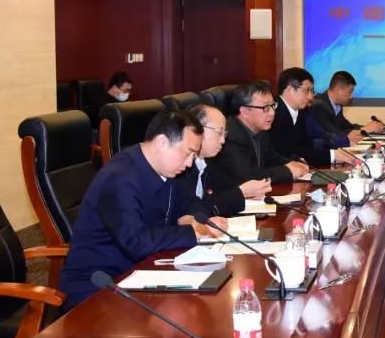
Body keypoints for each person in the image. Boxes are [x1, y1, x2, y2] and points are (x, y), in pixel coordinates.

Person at [58, 110, 226, 309]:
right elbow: (136, 242)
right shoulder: (120, 178)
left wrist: (191, 217)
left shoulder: (167, 169)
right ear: (162, 142)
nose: (190, 163)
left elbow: (191, 202)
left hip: (143, 272)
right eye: (188, 153)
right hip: (99, 285)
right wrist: (192, 232)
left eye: (194, 155)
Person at [209, 80, 309, 185]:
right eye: (266, 107)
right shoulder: (229, 137)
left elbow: (270, 157)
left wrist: (292, 163)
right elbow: (247, 177)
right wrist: (287, 171)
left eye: (273, 105)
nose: (272, 113)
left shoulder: (260, 130)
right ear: (245, 112)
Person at [182, 103, 272, 216]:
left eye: (224, 134)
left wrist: (247, 194)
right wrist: (241, 192)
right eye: (219, 132)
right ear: (196, 129)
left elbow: (224, 191)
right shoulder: (182, 168)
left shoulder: (207, 162)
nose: (223, 141)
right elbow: (193, 209)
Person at [270, 67, 335, 166]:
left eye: (312, 91)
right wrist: (333, 155)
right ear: (290, 89)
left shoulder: (301, 113)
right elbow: (286, 151)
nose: (310, 97)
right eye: (307, 90)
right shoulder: (274, 113)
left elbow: (307, 148)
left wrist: (333, 155)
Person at [308, 70, 384, 149]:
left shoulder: (337, 105)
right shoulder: (318, 106)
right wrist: (364, 130)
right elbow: (334, 135)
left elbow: (348, 127)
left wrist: (371, 127)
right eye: (350, 92)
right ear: (338, 89)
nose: (351, 97)